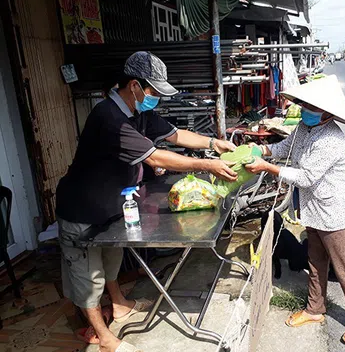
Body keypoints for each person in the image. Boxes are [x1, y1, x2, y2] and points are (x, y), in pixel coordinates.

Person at [55, 51, 237, 352]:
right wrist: (207, 164)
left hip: (108, 205)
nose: (156, 99)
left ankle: (120, 303)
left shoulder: (139, 113)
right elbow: (156, 156)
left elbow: (175, 135)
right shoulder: (108, 118)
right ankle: (105, 337)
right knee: (88, 277)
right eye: (153, 91)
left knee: (110, 261)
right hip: (81, 209)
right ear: (135, 86)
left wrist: (212, 143)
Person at [246, 75, 345, 345]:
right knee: (315, 263)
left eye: (311, 107)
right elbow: (284, 147)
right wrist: (261, 149)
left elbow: (306, 177)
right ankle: (315, 309)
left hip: (336, 214)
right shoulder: (304, 127)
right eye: (304, 105)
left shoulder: (330, 139)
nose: (305, 110)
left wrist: (268, 167)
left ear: (327, 112)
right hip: (313, 210)